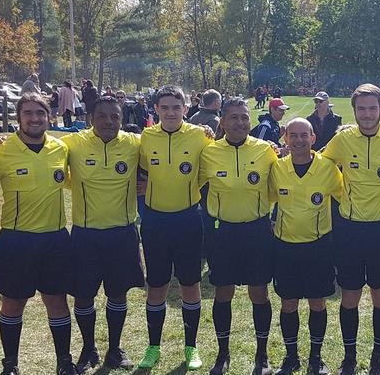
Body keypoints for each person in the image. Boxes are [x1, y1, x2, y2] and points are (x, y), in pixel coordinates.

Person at [321, 84, 380, 375]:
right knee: (349, 296)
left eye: (371, 108)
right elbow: (320, 164)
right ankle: (349, 358)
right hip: (349, 229)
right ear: (354, 111)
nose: (366, 114)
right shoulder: (342, 139)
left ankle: (378, 358)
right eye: (361, 109)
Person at [0, 94, 77, 375]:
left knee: (57, 301)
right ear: (18, 117)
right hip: (17, 239)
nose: (35, 118)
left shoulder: (61, 149)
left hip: (55, 238)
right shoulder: (0, 152)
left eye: (40, 113)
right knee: (13, 304)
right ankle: (10, 365)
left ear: (49, 117)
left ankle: (64, 361)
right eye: (28, 113)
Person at [59, 96, 145, 373]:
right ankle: (88, 347)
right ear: (91, 117)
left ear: (121, 118)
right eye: (102, 116)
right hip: (85, 234)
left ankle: (114, 349)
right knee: (83, 296)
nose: (109, 121)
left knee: (118, 294)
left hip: (122, 232)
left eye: (114, 116)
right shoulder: (72, 143)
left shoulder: (135, 143)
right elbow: (39, 147)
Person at [199, 97, 279, 375]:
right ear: (222, 121)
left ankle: (262, 355)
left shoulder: (265, 150)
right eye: (233, 117)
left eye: (244, 117)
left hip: (257, 230)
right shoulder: (208, 152)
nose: (240, 122)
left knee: (259, 292)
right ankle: (222, 355)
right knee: (224, 292)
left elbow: (277, 185)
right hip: (223, 232)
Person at [137, 87, 213, 371]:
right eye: (165, 107)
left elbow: (214, 160)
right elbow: (142, 172)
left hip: (188, 220)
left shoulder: (199, 136)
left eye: (176, 106)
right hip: (155, 221)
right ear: (156, 108)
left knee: (190, 285)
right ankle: (153, 346)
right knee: (156, 286)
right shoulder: (146, 137)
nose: (170, 112)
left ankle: (191, 347)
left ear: (185, 107)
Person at [268, 118, 343, 375]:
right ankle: (291, 357)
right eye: (293, 135)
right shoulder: (276, 168)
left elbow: (348, 196)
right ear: (285, 138)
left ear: (313, 138)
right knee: (288, 303)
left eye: (304, 135)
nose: (298, 140)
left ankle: (315, 357)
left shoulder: (328, 168)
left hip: (318, 246)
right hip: (285, 246)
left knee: (317, 302)